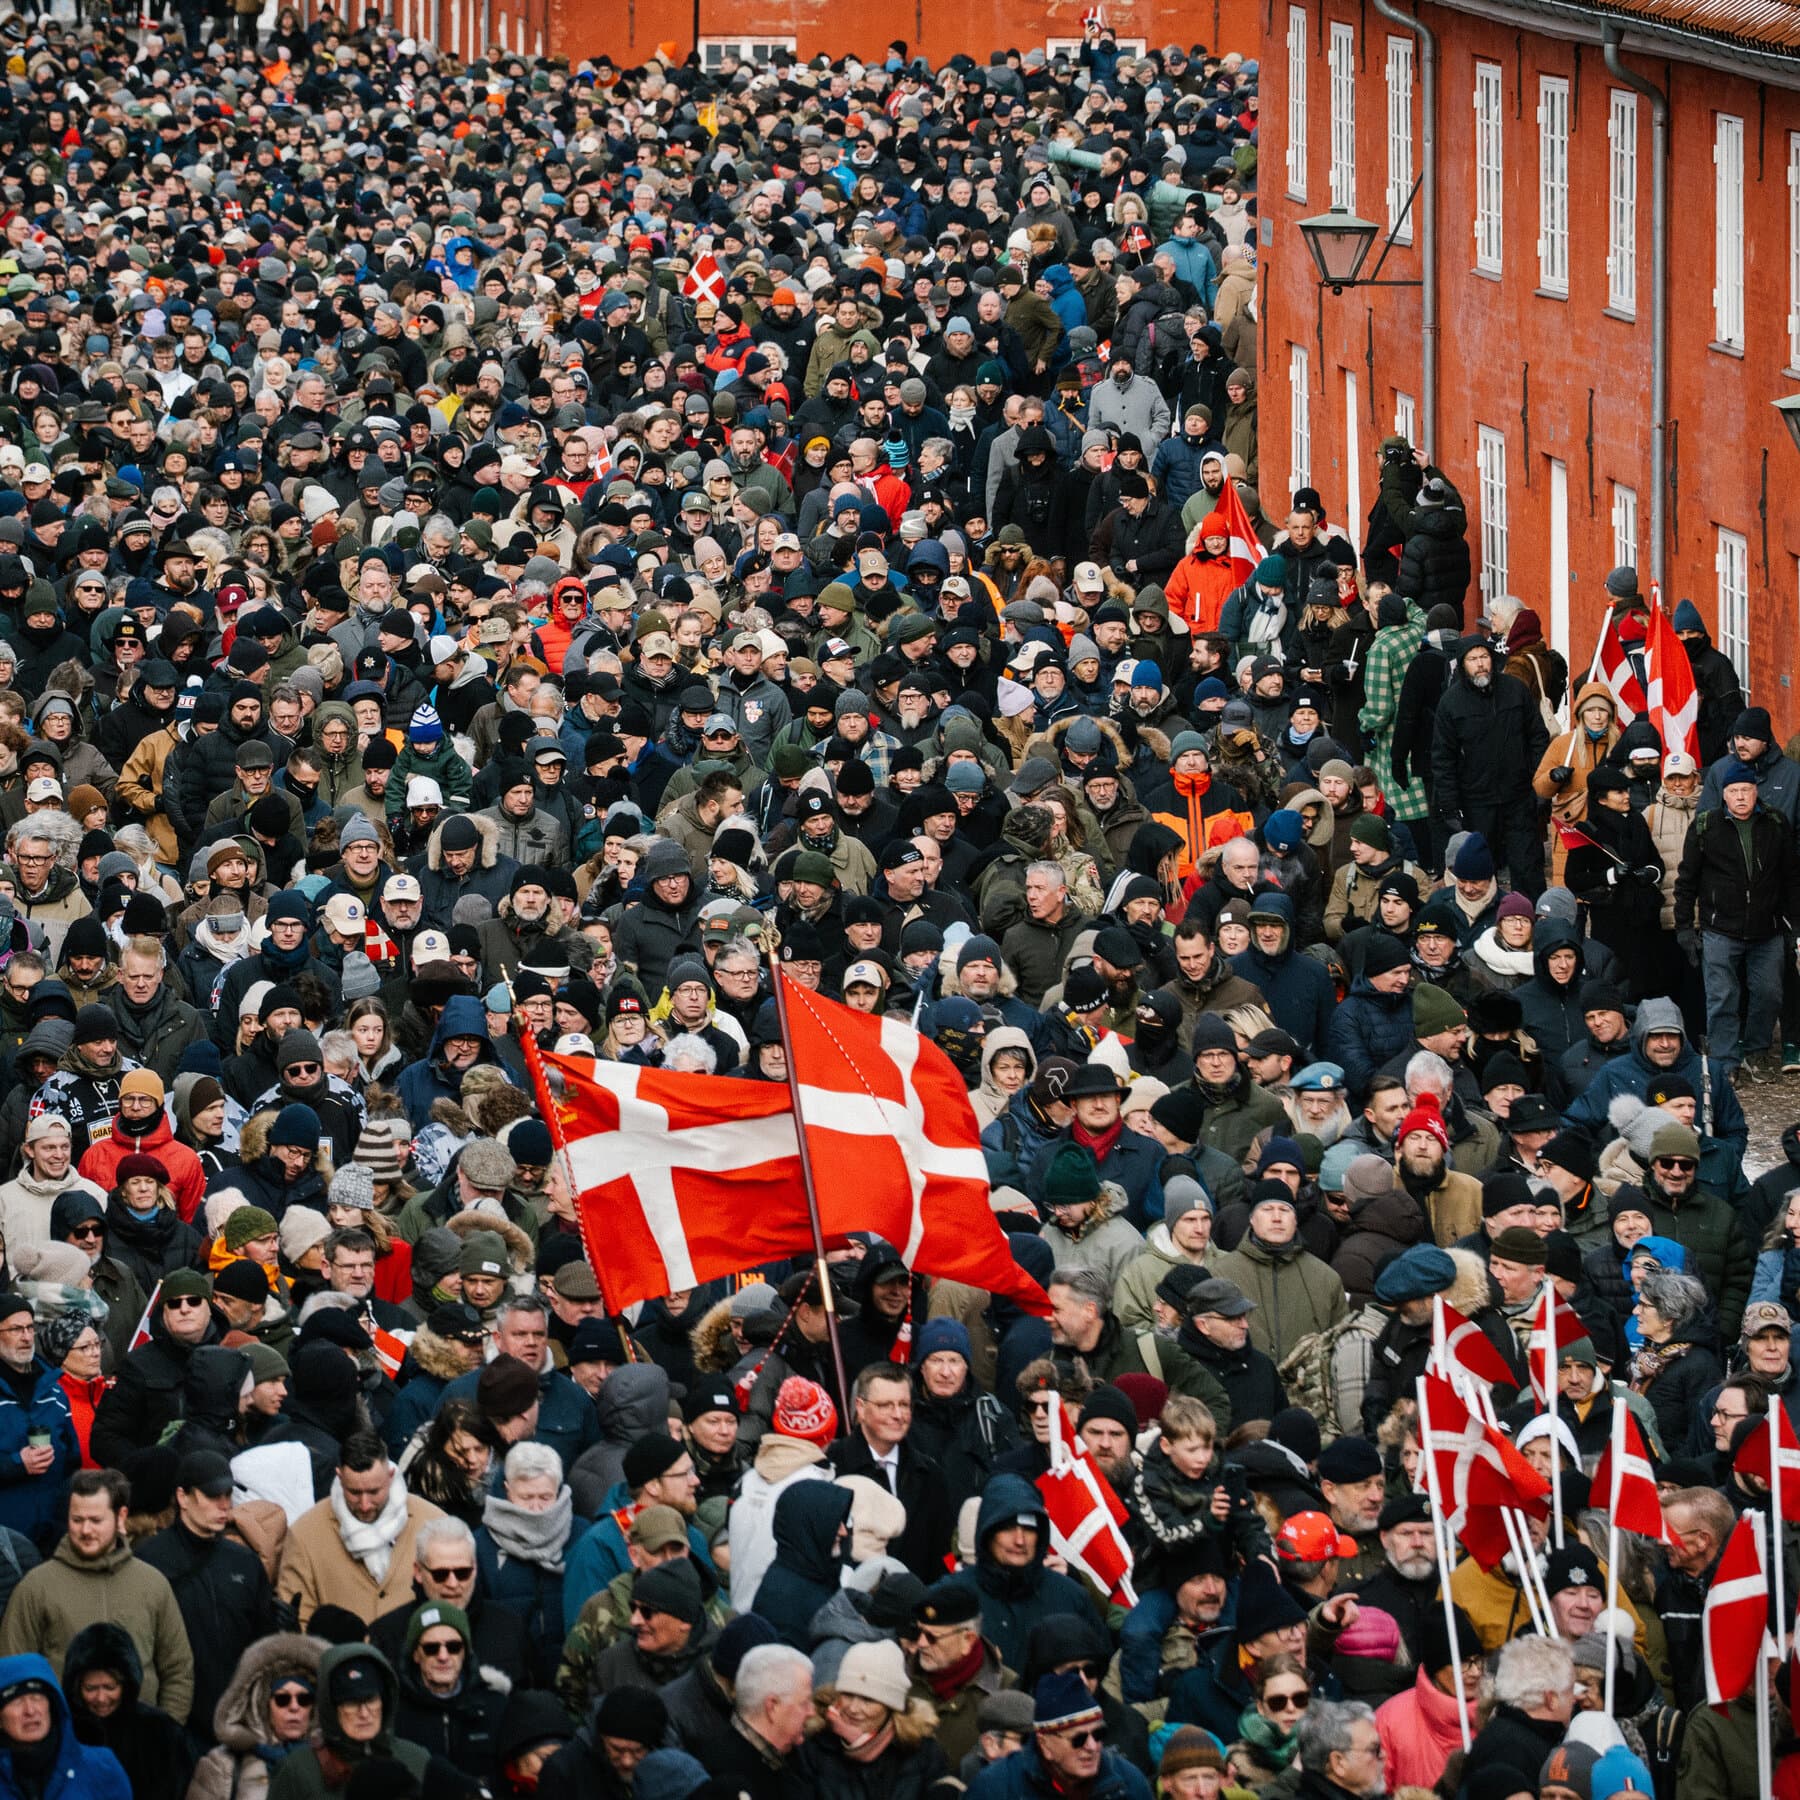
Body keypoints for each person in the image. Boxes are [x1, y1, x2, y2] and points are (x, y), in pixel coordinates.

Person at [276, 1432, 446, 1629]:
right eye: (354, 1492)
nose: (365, 1505)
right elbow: (298, 1624)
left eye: (374, 1492)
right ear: (339, 1477)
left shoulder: (434, 1523)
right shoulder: (304, 1535)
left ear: (390, 1476)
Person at [264, 1644, 430, 1795]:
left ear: (384, 1702)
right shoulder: (298, 1770)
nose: (364, 1713)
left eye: (371, 1700)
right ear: (331, 1708)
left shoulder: (416, 1760)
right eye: (352, 1703)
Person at [186, 1635, 326, 1800]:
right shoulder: (224, 1766)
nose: (294, 1707)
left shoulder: (333, 1768)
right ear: (264, 1706)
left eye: (304, 1700)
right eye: (282, 1699)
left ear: (314, 1708)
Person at [0, 1654, 130, 1800]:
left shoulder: (102, 1767)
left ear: (52, 1705)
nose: (30, 1710)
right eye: (16, 1702)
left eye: (37, 1698)